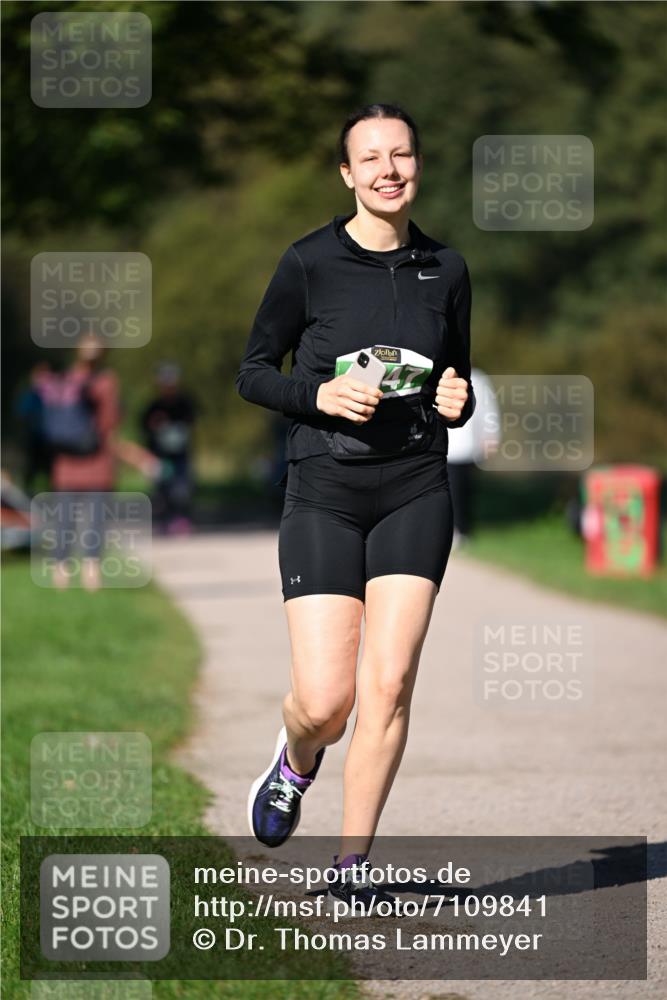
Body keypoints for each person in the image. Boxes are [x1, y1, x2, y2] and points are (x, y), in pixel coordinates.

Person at [236, 104, 474, 910]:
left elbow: (456, 387)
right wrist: (321, 393)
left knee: (391, 681)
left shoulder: (448, 269)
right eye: (369, 158)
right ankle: (295, 759)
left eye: (401, 155)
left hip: (414, 487)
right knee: (327, 700)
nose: (387, 170)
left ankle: (350, 866)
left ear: (417, 165)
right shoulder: (307, 263)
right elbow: (253, 371)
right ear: (346, 173)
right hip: (325, 492)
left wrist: (457, 398)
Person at [140, 362, 197, 535]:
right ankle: (164, 521)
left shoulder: (185, 403)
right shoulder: (154, 406)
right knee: (162, 490)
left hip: (180, 455)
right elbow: (144, 428)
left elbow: (192, 423)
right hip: (160, 456)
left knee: (181, 490)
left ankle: (180, 520)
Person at [447, 367, 501, 547]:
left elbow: (488, 410)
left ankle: (462, 530)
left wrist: (491, 436)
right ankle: (451, 529)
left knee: (463, 492)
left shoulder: (477, 379)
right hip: (443, 448)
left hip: (466, 448)